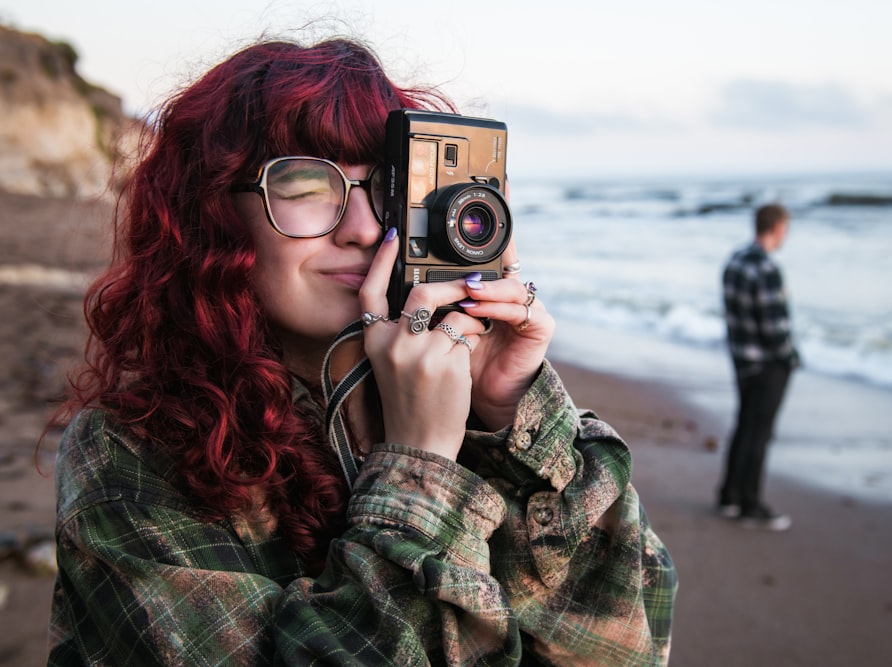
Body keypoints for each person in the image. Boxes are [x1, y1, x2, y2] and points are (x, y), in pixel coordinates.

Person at [45, 36, 676, 665]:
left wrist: (513, 420)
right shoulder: (130, 451)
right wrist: (420, 467)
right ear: (212, 217)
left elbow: (627, 651)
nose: (366, 228)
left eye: (384, 187)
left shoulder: (465, 403)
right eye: (304, 185)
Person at [716, 203, 800, 531]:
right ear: (778, 228)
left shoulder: (735, 261)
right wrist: (790, 357)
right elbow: (774, 327)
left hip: (741, 359)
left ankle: (728, 497)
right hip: (767, 364)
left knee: (744, 427)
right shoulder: (765, 269)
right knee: (759, 434)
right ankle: (750, 503)